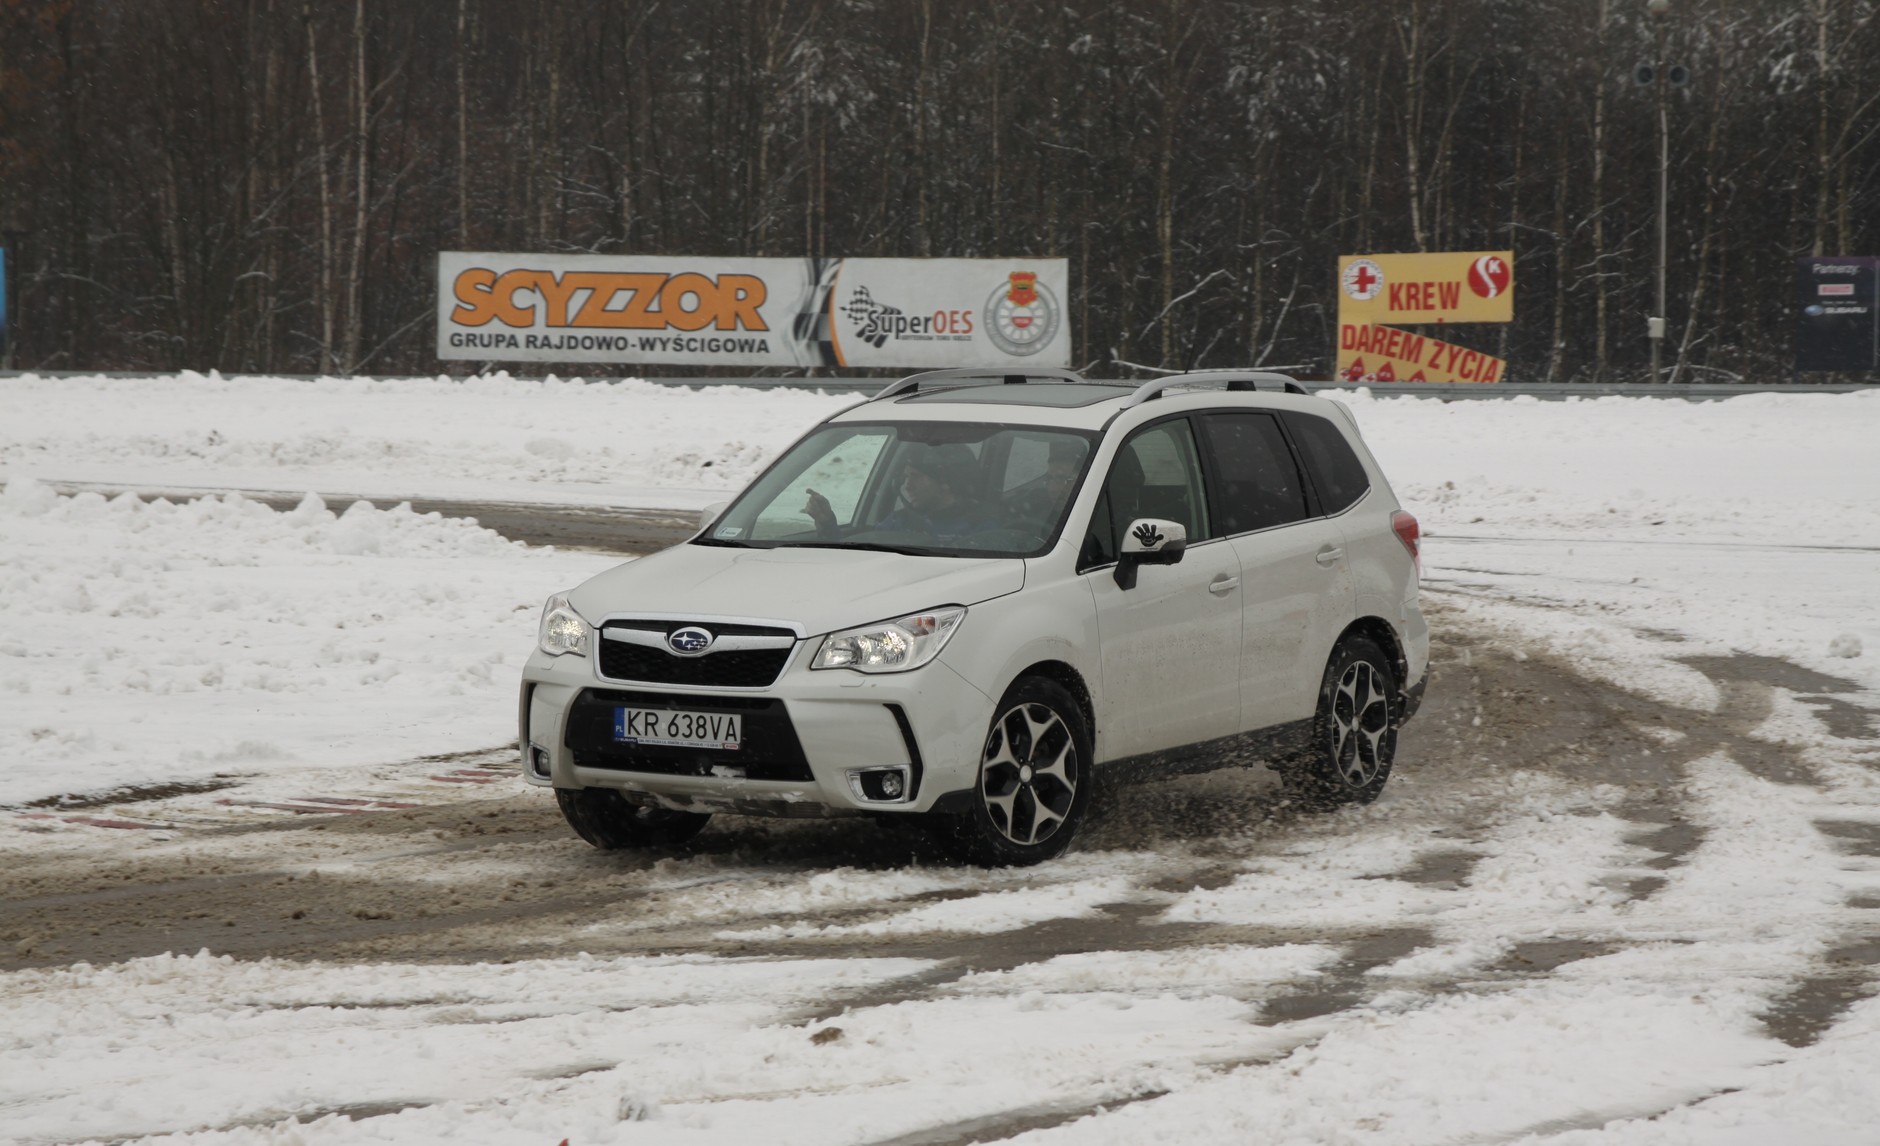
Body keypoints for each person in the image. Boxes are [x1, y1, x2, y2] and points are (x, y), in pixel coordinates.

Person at [803, 443, 990, 541]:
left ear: (945, 483)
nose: (908, 486)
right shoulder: (898, 522)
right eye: (906, 477)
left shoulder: (981, 526)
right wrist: (826, 522)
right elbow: (858, 555)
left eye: (916, 476)